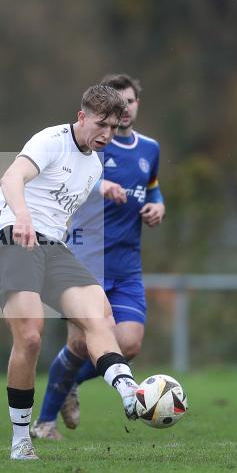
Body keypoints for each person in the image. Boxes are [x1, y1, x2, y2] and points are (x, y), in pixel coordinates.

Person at [0, 84, 141, 461]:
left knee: (100, 317)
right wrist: (21, 215)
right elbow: (11, 178)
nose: (106, 134)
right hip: (10, 238)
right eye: (100, 124)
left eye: (114, 128)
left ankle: (131, 395)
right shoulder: (50, 140)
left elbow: (64, 204)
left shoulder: (95, 164)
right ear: (82, 117)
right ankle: (21, 441)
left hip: (51, 247)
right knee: (32, 336)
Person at [31, 73, 165, 440]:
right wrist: (97, 184)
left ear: (136, 105)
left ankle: (70, 383)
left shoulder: (149, 149)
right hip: (87, 259)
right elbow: (63, 180)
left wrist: (158, 207)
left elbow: (153, 190)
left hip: (128, 264)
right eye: (117, 103)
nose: (124, 109)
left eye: (130, 101)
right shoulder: (91, 144)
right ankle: (44, 423)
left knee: (130, 344)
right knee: (79, 344)